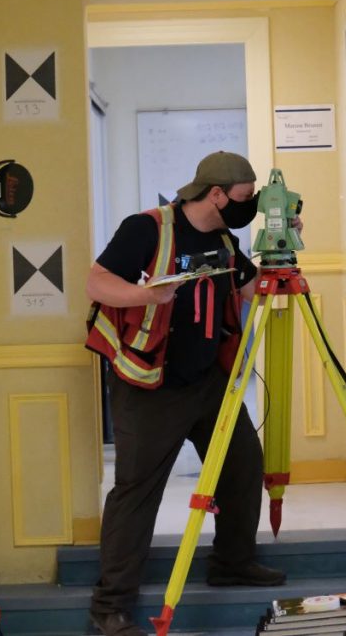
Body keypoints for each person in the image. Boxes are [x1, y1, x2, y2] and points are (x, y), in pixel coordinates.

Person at [85, 151, 286, 636]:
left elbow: (246, 285)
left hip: (206, 381)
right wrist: (146, 295)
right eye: (243, 198)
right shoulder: (148, 228)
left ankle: (232, 563)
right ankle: (110, 607)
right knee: (137, 491)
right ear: (215, 193)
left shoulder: (224, 237)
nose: (249, 206)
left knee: (242, 466)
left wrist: (281, 258)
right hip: (149, 382)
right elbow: (97, 281)